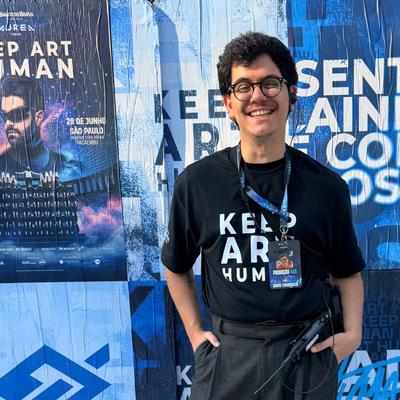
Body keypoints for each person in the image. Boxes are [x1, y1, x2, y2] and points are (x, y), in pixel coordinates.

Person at [162, 32, 364, 399]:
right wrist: (195, 334)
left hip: (305, 355)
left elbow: (347, 272)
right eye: (243, 87)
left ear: (291, 93)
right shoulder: (197, 183)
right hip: (228, 356)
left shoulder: (326, 188)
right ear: (228, 103)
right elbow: (176, 267)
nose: (258, 96)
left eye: (270, 83)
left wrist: (351, 336)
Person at [0, 75, 79, 180]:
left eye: (17, 114)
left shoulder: (64, 165)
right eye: (4, 116)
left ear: (38, 117)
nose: (8, 123)